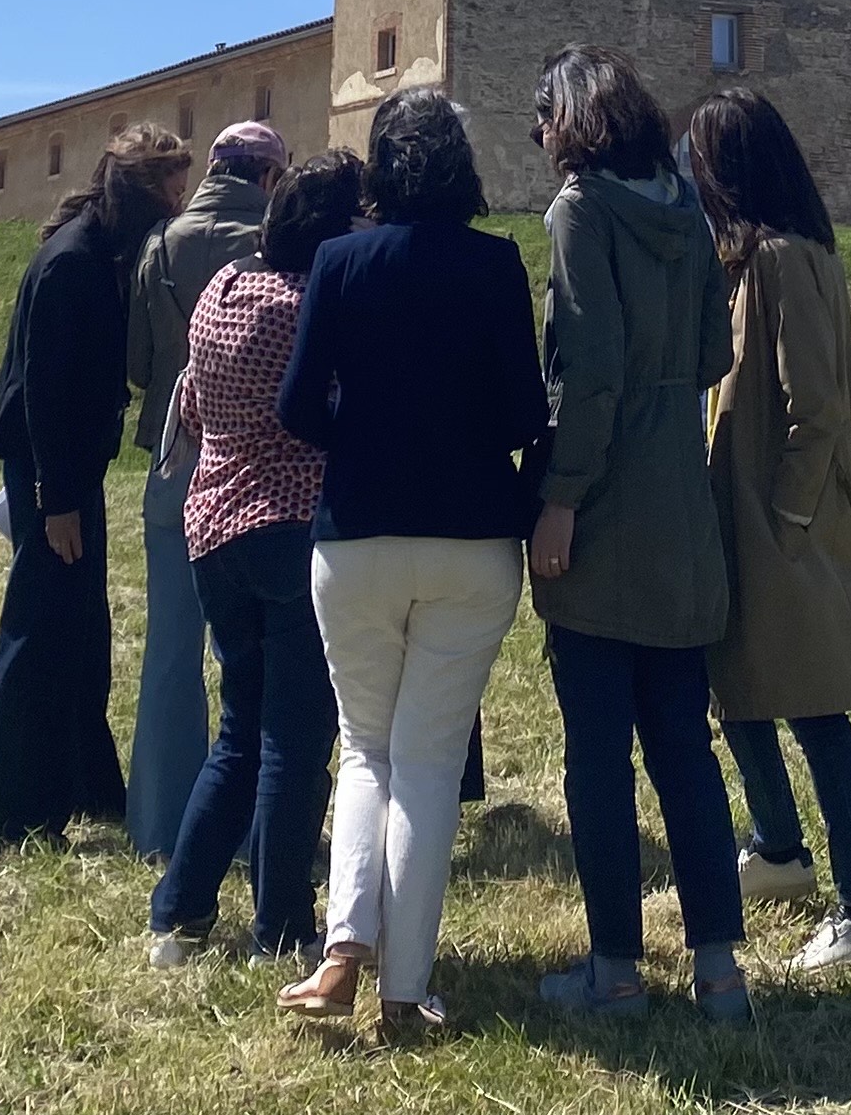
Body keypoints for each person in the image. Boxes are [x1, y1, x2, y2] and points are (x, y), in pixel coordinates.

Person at [274, 90, 547, 1045]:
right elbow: (526, 414)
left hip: (356, 533)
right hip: (472, 537)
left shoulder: (339, 262)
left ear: (380, 169)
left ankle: (342, 950)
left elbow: (297, 405)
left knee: (365, 748)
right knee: (427, 762)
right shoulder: (496, 262)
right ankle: (405, 990)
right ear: (462, 167)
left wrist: (364, 438)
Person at [528, 46, 752, 1024]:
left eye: (542, 116)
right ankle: (721, 974)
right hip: (680, 500)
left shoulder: (579, 211)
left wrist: (561, 497)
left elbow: (590, 369)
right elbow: (710, 353)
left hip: (606, 497)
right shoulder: (685, 208)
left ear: (572, 118)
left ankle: (615, 972)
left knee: (596, 758)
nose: (538, 135)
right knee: (684, 751)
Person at [687, 87, 851, 972]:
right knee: (734, 684)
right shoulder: (756, 262)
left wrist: (787, 515)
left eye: (702, 161)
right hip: (745, 524)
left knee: (817, 712)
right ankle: (778, 849)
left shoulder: (785, 259)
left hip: (785, 528)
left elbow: (815, 407)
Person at [145, 150, 364, 967]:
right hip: (290, 527)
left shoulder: (224, 290)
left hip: (213, 525)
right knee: (295, 741)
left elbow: (192, 406)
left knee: (240, 730)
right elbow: (333, 411)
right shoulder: (312, 307)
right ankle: (282, 927)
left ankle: (179, 915)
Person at [0, 122, 193, 854]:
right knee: (39, 633)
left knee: (81, 627)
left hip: (72, 467)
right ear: (140, 192)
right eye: (171, 191)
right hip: (52, 469)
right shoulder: (71, 263)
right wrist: (57, 501)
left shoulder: (98, 251)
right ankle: (13, 819)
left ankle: (86, 785)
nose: (178, 204)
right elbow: (45, 393)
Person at [125, 119, 289, 859]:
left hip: (174, 461)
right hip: (256, 474)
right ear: (268, 176)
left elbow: (139, 362)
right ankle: (249, 830)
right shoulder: (274, 243)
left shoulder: (161, 243)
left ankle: (160, 824)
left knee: (169, 651)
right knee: (249, 663)